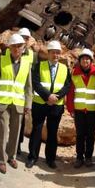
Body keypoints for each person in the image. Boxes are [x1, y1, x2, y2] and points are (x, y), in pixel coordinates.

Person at [0, 34, 33, 174]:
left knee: (15, 132)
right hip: (3, 102)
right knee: (2, 132)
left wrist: (28, 104)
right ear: (9, 47)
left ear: (23, 47)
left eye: (19, 46)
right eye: (13, 46)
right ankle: (0, 160)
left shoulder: (27, 63)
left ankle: (11, 156)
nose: (16, 49)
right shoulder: (1, 61)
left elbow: (28, 87)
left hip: (19, 103)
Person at [25, 40, 71, 169]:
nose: (55, 55)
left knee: (52, 132)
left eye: (58, 53)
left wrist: (57, 97)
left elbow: (67, 85)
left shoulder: (64, 69)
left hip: (56, 105)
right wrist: (47, 96)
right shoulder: (39, 66)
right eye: (53, 53)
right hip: (40, 103)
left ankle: (50, 159)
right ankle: (32, 157)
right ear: (48, 53)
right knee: (37, 130)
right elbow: (36, 83)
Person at [67, 48, 95, 168]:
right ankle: (79, 157)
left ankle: (89, 157)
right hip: (79, 110)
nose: (85, 61)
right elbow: (71, 93)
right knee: (80, 134)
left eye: (87, 59)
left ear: (91, 61)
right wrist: (70, 109)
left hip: (92, 110)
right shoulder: (74, 73)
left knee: (90, 134)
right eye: (83, 59)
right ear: (79, 60)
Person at [17, 27, 38, 155]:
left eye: (26, 38)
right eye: (22, 37)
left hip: (24, 91)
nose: (24, 40)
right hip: (12, 89)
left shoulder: (32, 55)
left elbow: (33, 73)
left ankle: (18, 144)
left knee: (21, 119)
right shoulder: (9, 52)